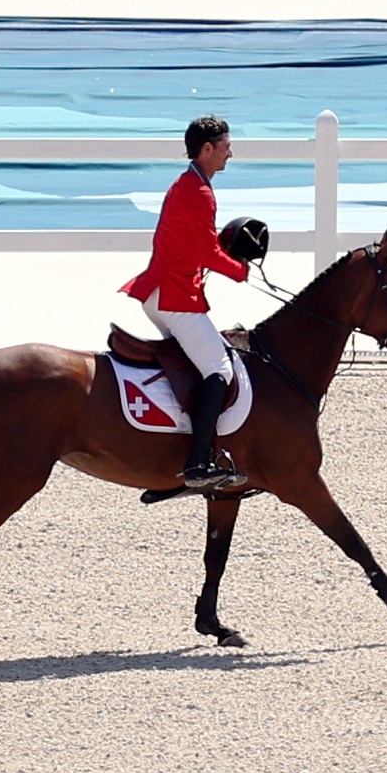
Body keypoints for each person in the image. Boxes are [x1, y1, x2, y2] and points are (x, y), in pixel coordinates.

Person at [125, 113, 272, 492]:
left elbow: (193, 245)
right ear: (207, 149)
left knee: (197, 364)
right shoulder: (199, 192)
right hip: (176, 296)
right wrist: (240, 270)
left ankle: (180, 447)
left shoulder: (187, 184)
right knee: (219, 370)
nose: (230, 153)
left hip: (161, 290)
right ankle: (197, 464)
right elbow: (207, 251)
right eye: (225, 147)